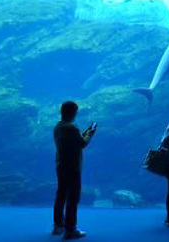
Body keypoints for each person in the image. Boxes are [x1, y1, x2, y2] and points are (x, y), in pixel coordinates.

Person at [52, 101, 96, 240]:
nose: (76, 114)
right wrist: (90, 133)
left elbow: (74, 140)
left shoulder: (58, 127)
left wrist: (84, 132)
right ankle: (70, 229)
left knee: (61, 195)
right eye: (76, 111)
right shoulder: (72, 128)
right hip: (73, 167)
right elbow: (82, 143)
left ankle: (58, 225)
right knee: (73, 197)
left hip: (61, 166)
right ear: (72, 112)